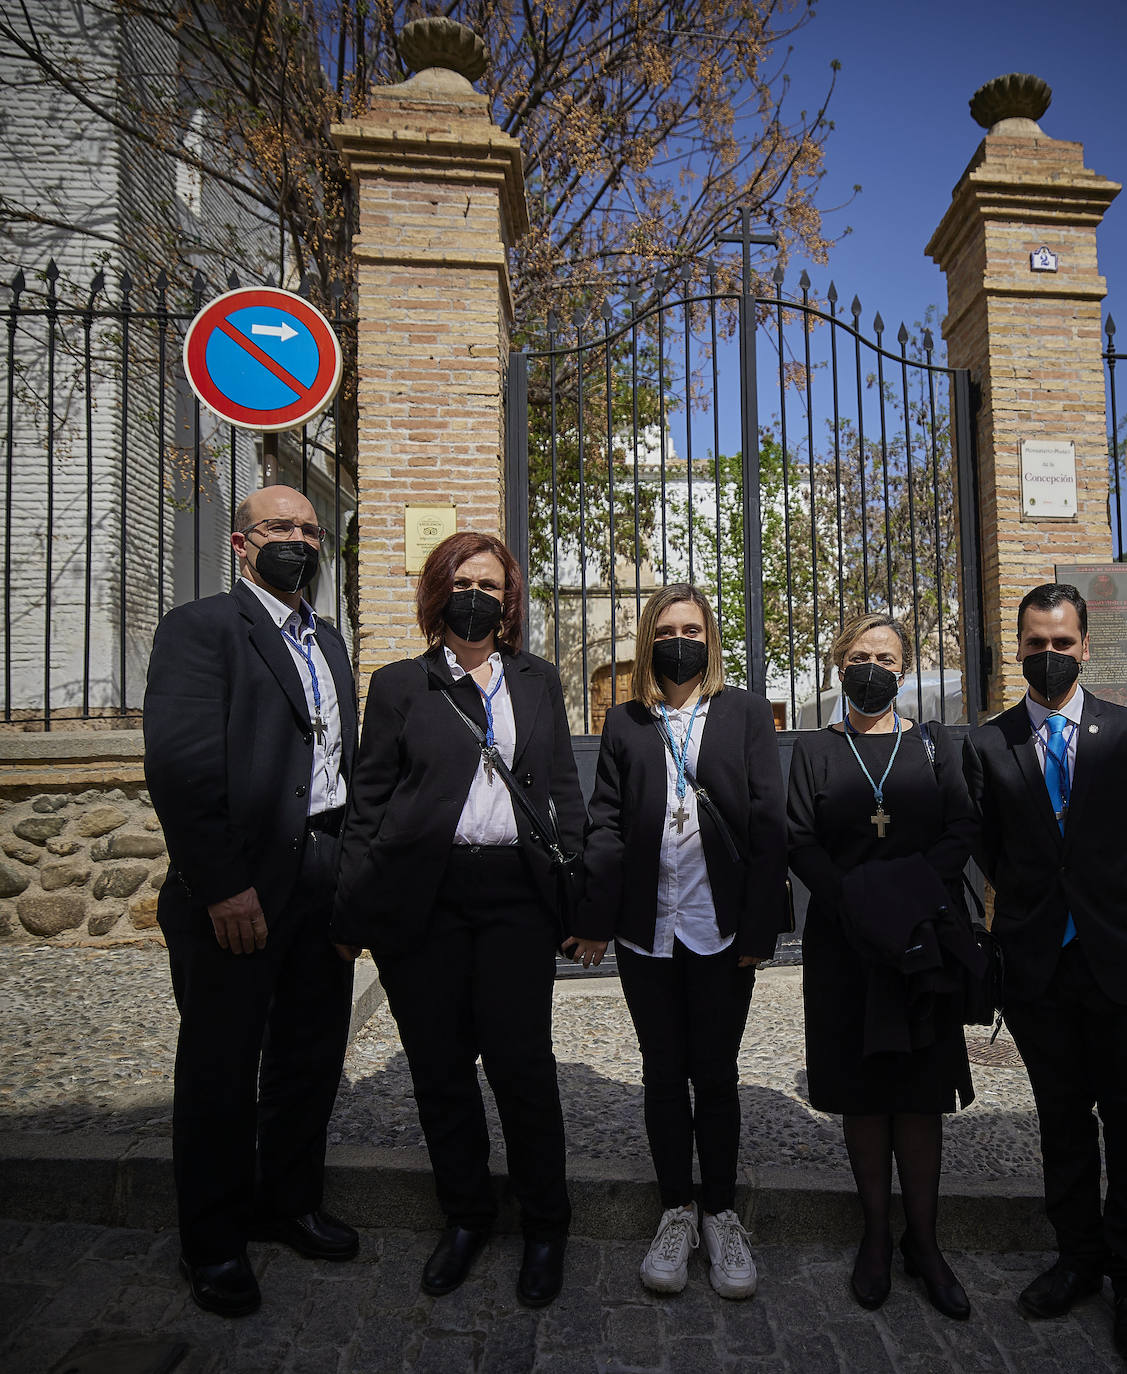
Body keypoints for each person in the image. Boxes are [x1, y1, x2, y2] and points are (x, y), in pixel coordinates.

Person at [332, 531, 585, 1308]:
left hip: (514, 898)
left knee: (521, 1068)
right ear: (439, 591)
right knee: (440, 1073)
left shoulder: (538, 681)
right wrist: (351, 907)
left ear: (509, 602)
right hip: (424, 902)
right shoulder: (400, 685)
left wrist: (583, 906)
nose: (479, 595)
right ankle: (467, 1216)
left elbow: (565, 796)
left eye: (493, 584)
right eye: (465, 581)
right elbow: (368, 802)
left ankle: (546, 1224)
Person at [144, 486, 358, 1318]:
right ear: (242, 543)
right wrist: (222, 884)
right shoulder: (200, 631)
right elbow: (184, 771)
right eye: (279, 528)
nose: (297, 540)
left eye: (309, 529)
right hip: (238, 883)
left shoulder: (330, 641)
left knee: (309, 1055)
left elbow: (339, 761)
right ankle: (216, 1242)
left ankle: (287, 1204)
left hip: (321, 877)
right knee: (221, 1068)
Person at [962, 583, 1127, 1370]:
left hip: (1120, 964)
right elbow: (991, 850)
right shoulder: (987, 745)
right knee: (1060, 1125)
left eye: (1061, 643)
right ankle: (1076, 1259)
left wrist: (1103, 907)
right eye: (1034, 643)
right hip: (1037, 968)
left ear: (1085, 647)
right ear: (1015, 648)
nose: (1047, 656)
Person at [569, 584, 787, 1299]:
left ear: (710, 640)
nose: (679, 640)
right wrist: (596, 918)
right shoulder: (625, 721)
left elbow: (765, 821)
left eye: (691, 628)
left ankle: (721, 1215)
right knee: (662, 1074)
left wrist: (760, 926)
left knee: (715, 1074)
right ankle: (675, 1212)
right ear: (646, 640)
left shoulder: (745, 713)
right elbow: (603, 821)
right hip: (646, 933)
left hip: (720, 928)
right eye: (666, 629)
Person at [787, 612, 979, 1319]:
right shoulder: (813, 749)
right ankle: (873, 1236)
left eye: (886, 656)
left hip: (920, 942)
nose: (872, 665)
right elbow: (797, 837)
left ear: (905, 669)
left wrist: (903, 897)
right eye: (859, 654)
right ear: (840, 664)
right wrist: (855, 901)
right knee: (864, 1094)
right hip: (845, 943)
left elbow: (962, 827)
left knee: (919, 1093)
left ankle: (922, 1243)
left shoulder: (933, 746)